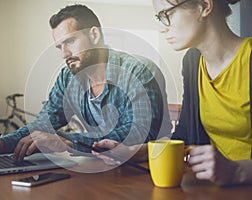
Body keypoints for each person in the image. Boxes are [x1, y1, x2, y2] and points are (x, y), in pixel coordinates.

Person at [0, 4, 171, 162]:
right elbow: (42, 125)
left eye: (70, 42)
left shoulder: (139, 70)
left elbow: (138, 134)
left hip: (151, 171)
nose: (64, 54)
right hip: (102, 169)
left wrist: (67, 142)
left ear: (94, 34)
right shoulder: (68, 78)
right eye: (59, 47)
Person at [93, 0, 252, 186]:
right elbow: (183, 136)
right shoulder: (192, 62)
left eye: (166, 15)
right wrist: (133, 152)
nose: (162, 28)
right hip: (214, 188)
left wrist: (238, 170)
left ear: (205, 6)